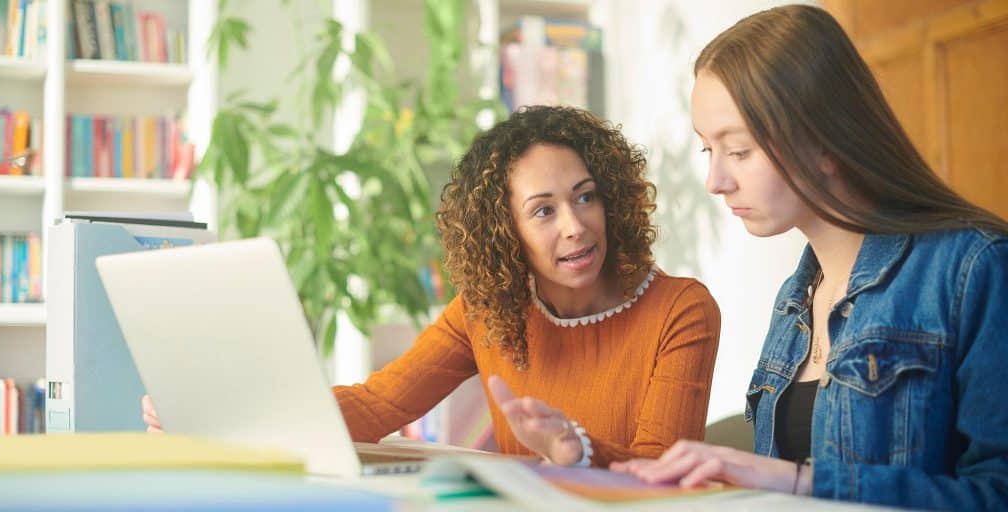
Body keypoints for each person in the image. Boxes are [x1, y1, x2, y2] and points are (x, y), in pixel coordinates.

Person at [143, 105, 722, 468]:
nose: (575, 225)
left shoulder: (679, 310)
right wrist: (225, 413)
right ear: (505, 230)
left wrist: (578, 451)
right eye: (543, 211)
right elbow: (377, 405)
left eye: (585, 196)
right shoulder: (487, 311)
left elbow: (661, 473)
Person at [610, 4, 1008, 509]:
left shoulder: (974, 268)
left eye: (739, 150)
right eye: (708, 150)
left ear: (824, 139)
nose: (716, 181)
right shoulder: (795, 301)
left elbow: (997, 494)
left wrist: (799, 482)